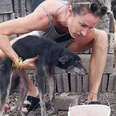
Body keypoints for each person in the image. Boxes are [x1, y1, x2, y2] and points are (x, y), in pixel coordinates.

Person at [0, 0, 108, 113]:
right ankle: (32, 91)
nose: (85, 32)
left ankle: (92, 98)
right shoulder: (44, 15)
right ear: (70, 11)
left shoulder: (80, 15)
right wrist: (19, 62)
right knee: (3, 54)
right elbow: (1, 31)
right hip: (42, 43)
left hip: (67, 45)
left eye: (90, 27)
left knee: (101, 36)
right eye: (83, 25)